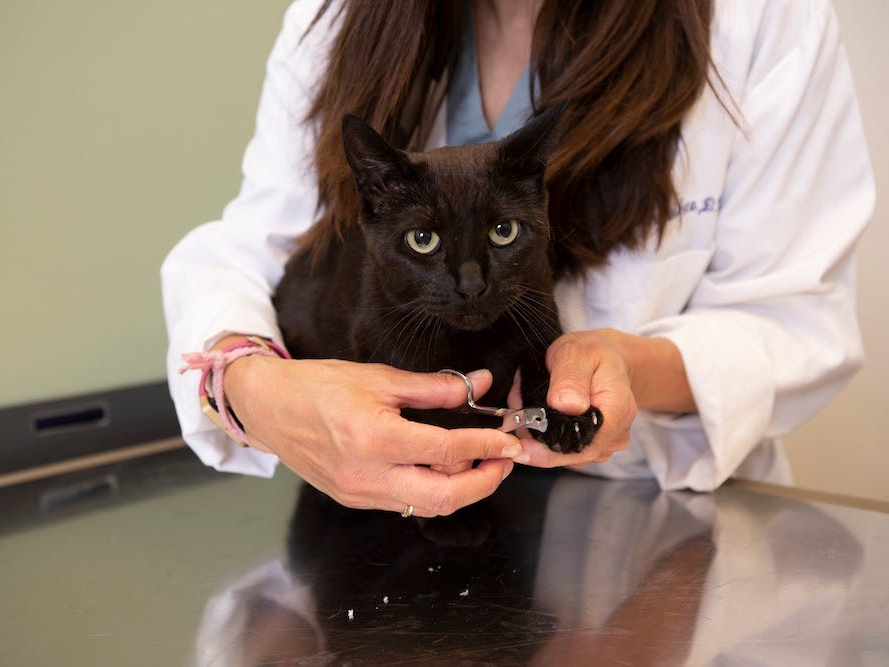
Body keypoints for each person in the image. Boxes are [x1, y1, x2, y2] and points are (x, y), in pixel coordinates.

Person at [162, 0, 874, 518]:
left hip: (650, 526)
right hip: (383, 523)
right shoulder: (341, 18)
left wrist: (628, 364)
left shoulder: (760, 20)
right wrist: (246, 386)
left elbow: (796, 319)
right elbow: (256, 247)